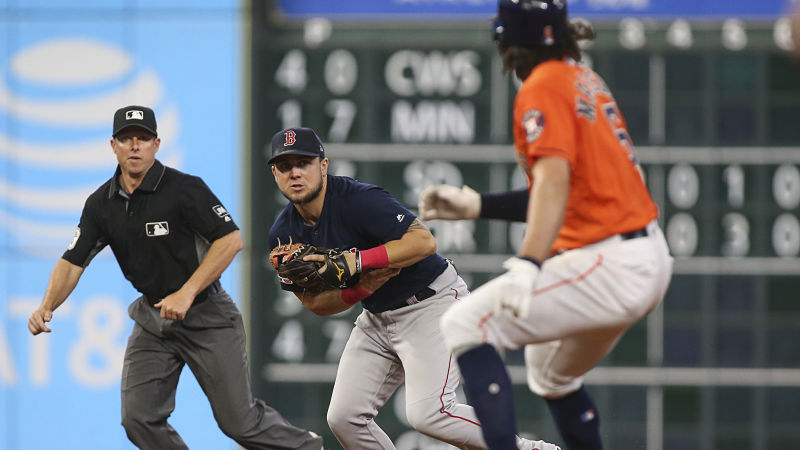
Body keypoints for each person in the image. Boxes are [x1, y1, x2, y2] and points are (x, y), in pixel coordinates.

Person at [418, 2, 673, 449]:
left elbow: (553, 185)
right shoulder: (584, 80)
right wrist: (478, 204)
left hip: (612, 263)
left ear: (509, 45)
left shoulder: (542, 87)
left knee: (466, 323)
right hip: (642, 254)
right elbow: (566, 192)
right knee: (550, 371)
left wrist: (529, 263)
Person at [27, 106, 323, 450]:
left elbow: (230, 241)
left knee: (239, 423)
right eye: (126, 139)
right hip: (153, 320)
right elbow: (72, 260)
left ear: (157, 143)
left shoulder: (184, 189)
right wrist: (46, 305)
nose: (134, 146)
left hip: (207, 313)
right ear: (113, 145)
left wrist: (186, 292)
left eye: (143, 138)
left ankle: (307, 448)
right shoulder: (100, 204)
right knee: (138, 419)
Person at [267, 127, 560, 450]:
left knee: (430, 413)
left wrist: (359, 261)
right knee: (344, 418)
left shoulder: (358, 200)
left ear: (323, 165)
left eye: (303, 162)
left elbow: (424, 241)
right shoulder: (284, 235)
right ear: (275, 173)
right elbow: (315, 304)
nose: (294, 172)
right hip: (377, 317)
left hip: (430, 302)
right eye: (285, 166)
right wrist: (358, 290)